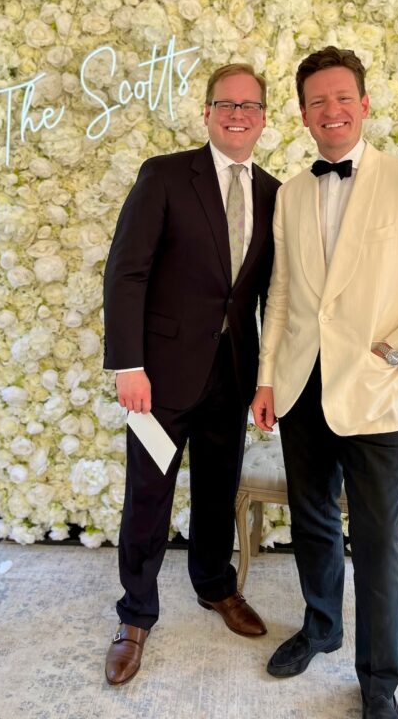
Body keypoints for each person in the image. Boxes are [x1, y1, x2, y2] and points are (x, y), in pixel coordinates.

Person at [251, 47, 398, 719]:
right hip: (299, 388)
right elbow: (285, 293)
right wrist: (266, 379)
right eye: (317, 101)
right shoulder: (291, 192)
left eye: (341, 97)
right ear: (302, 115)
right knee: (315, 522)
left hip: (375, 392)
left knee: (377, 542)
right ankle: (321, 626)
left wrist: (396, 350)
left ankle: (378, 680)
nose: (331, 111)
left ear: (364, 104)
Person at [103, 63, 280, 686]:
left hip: (231, 375)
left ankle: (214, 586)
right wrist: (129, 364)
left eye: (250, 106)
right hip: (157, 377)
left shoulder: (273, 191)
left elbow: (270, 297)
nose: (238, 115)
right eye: (225, 104)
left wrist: (267, 378)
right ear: (206, 113)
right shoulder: (165, 175)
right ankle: (135, 615)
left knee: (216, 489)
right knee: (148, 498)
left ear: (263, 117)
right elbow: (126, 272)